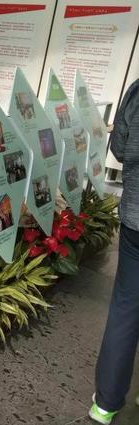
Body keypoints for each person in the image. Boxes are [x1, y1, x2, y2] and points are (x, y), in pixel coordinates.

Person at [89, 79, 139, 424]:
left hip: (137, 219)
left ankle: (105, 404)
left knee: (126, 306)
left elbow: (119, 149)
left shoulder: (137, 91)